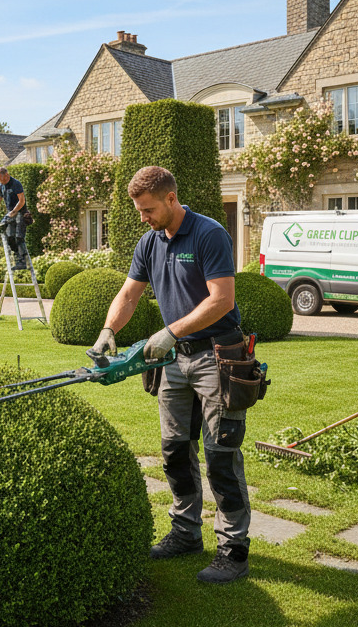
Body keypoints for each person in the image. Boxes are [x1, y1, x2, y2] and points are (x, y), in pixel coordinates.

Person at [94, 166, 251, 584]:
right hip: (173, 363)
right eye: (138, 211)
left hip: (217, 357)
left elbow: (221, 300)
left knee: (221, 455)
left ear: (169, 199)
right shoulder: (149, 242)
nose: (142, 217)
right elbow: (129, 293)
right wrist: (109, 330)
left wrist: (169, 330)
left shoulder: (208, 234)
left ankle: (233, 550)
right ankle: (185, 533)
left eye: (147, 210)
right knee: (175, 450)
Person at [0, 166, 29, 270]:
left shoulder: (16, 184)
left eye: (2, 179)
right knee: (10, 236)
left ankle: (23, 261)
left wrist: (13, 212)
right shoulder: (1, 186)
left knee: (19, 236)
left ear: (7, 175)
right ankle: (17, 259)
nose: (1, 182)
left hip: (20, 212)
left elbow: (22, 201)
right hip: (10, 214)